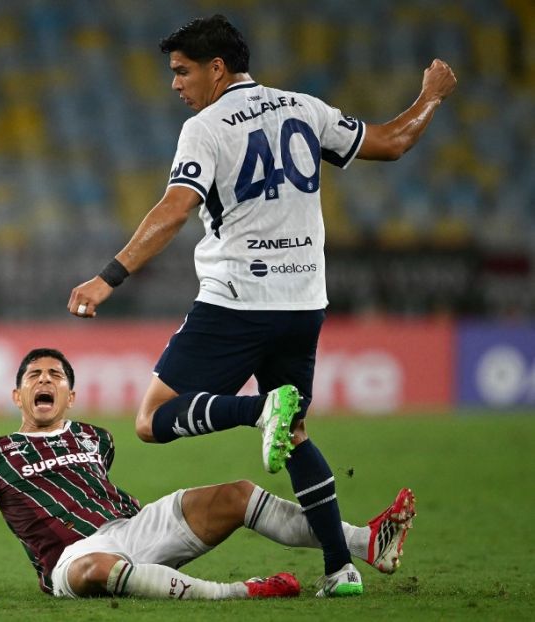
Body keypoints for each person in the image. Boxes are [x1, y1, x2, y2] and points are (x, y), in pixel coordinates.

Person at [67, 15, 454, 597]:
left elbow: (174, 209)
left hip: (238, 301)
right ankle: (341, 570)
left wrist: (108, 277)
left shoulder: (206, 127)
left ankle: (257, 411)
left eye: (181, 71)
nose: (175, 84)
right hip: (304, 301)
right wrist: (431, 95)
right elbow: (393, 142)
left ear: (216, 68)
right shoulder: (305, 107)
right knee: (295, 431)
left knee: (151, 420)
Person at [0, 348, 415, 600]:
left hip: (135, 526)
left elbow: (98, 488)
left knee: (238, 493)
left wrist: (139, 521)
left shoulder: (96, 438)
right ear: (17, 396)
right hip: (73, 558)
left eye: (55, 377)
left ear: (70, 396)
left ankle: (366, 541)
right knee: (97, 570)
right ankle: (241, 592)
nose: (44, 380)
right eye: (33, 377)